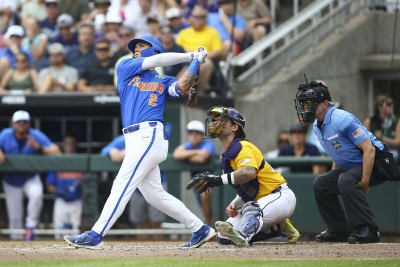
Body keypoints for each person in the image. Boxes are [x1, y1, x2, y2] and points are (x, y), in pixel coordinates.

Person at [64, 34, 215, 249]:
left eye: (142, 46)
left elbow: (181, 87)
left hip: (149, 135)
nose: (136, 49)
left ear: (155, 49)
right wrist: (192, 54)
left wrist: (195, 62)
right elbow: (155, 62)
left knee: (121, 184)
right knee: (155, 196)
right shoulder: (126, 67)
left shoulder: (163, 80)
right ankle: (200, 229)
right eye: (135, 46)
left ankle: (96, 234)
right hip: (134, 138)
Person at [295, 81, 400, 244]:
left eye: (311, 103)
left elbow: (369, 149)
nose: (307, 107)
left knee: (346, 180)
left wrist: (364, 180)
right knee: (321, 183)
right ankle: (338, 230)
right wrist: (332, 175)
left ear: (324, 104)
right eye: (305, 104)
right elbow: (338, 154)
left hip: (378, 160)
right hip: (355, 164)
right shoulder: (317, 125)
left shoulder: (342, 119)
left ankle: (368, 229)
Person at [186, 106, 299, 247]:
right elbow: (249, 187)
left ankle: (244, 236)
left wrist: (218, 179)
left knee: (251, 210)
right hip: (262, 203)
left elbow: (248, 172)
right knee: (223, 236)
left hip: (280, 196)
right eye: (214, 119)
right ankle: (277, 229)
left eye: (221, 119)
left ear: (234, 126)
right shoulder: (225, 157)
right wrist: (235, 203)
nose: (215, 122)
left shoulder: (243, 147)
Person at [0, 110, 61, 241]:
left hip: (30, 177)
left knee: (36, 193)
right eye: (18, 122)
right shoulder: (5, 134)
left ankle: (30, 228)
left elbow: (56, 151)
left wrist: (39, 147)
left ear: (29, 124)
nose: (21, 124)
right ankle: (16, 245)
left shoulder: (35, 135)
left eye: (24, 122)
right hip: (11, 180)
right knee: (15, 217)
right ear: (13, 124)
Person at [101, 135, 167, 241]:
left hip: (155, 185)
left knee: (156, 224)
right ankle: (142, 255)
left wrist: (128, 153)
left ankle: (159, 252)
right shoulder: (125, 138)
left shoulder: (153, 135)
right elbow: (105, 150)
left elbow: (160, 153)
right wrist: (111, 151)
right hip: (136, 188)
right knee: (141, 224)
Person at [173, 120, 216, 225]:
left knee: (205, 196)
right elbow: (176, 154)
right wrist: (196, 152)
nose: (194, 136)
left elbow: (202, 158)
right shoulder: (189, 145)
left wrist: (186, 156)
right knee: (203, 202)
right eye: (191, 133)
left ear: (202, 135)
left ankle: (209, 225)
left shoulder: (207, 144)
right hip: (198, 182)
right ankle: (209, 227)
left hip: (214, 181)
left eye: (197, 133)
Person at [176, 5, 223, 93]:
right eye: (196, 16)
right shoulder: (183, 33)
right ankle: (179, 92)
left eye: (202, 17)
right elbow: (177, 49)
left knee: (207, 64)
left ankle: (200, 94)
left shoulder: (213, 32)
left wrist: (200, 57)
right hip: (186, 60)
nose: (199, 19)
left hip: (203, 60)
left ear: (206, 18)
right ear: (191, 18)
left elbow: (217, 51)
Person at [46, 134, 83, 240]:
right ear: (63, 145)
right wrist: (59, 191)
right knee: (59, 233)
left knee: (77, 233)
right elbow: (50, 185)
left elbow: (90, 182)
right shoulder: (58, 161)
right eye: (67, 143)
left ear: (75, 145)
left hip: (77, 201)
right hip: (61, 202)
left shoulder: (81, 161)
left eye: (71, 143)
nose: (69, 145)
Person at [364, 95, 400, 161]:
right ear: (380, 107)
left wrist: (382, 138)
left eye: (392, 104)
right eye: (388, 104)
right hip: (376, 158)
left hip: (393, 158)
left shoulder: (396, 121)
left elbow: (398, 142)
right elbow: (362, 140)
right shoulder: (369, 122)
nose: (392, 106)